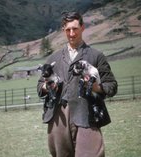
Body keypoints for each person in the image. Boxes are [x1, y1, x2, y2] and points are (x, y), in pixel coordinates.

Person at [37, 11, 117, 157]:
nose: (72, 34)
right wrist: (47, 86)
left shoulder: (96, 56)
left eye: (75, 29)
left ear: (82, 28)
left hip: (87, 114)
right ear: (63, 30)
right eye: (68, 30)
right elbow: (40, 86)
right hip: (58, 117)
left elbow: (111, 85)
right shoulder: (53, 58)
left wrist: (96, 87)